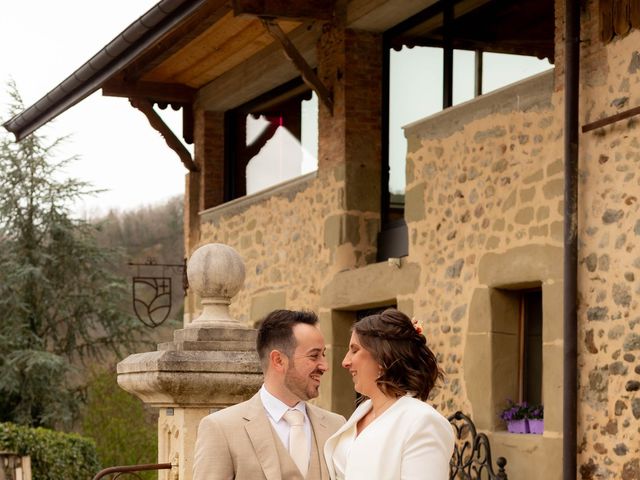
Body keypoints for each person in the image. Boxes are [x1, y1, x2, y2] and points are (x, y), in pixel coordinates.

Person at [193, 309, 345, 480]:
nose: (324, 366)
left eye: (323, 355)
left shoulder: (337, 426)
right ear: (278, 361)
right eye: (314, 356)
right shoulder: (221, 429)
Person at [324, 308, 454, 480]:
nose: (345, 362)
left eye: (355, 350)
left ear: (382, 357)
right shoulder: (363, 410)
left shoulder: (422, 422)